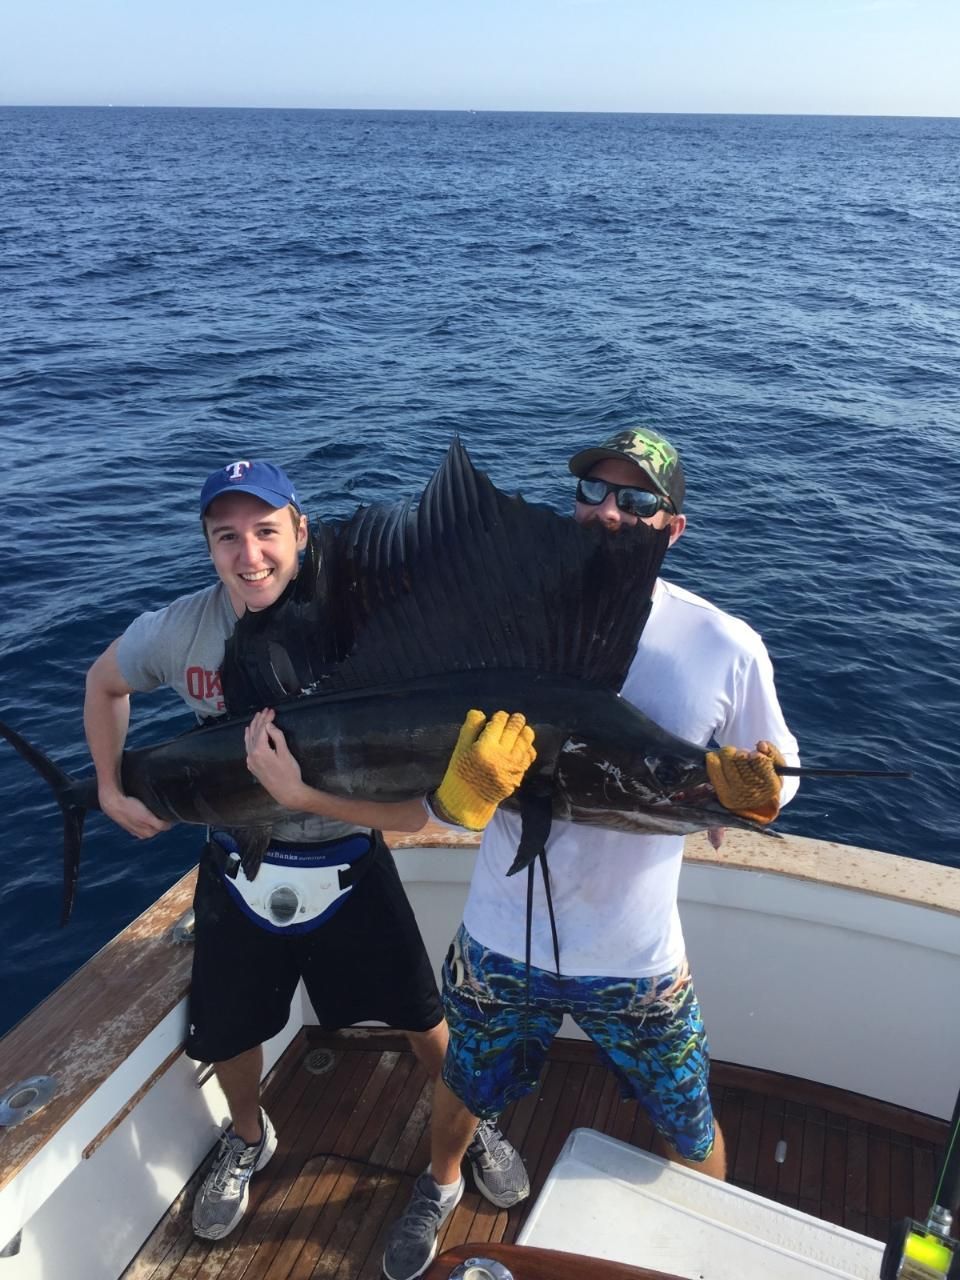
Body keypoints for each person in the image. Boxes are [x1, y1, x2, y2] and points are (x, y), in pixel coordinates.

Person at [382, 426, 800, 1280]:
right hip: (502, 940)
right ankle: (441, 1181)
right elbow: (432, 782)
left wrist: (762, 795)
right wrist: (454, 796)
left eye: (639, 500)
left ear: (674, 526)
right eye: (595, 493)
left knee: (688, 1120)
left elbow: (774, 775)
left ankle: (703, 1242)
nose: (610, 513)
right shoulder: (503, 622)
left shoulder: (724, 645)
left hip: (638, 960)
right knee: (462, 1084)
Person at [83, 458, 534, 1243]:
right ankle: (249, 1140)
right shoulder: (177, 629)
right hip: (236, 864)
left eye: (266, 532)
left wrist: (302, 798)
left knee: (426, 1021)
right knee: (226, 1033)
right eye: (228, 538)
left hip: (350, 859)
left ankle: (473, 1127)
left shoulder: (354, 627)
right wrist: (107, 788)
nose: (248, 555)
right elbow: (103, 683)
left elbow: (414, 815)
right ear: (207, 546)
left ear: (300, 529)